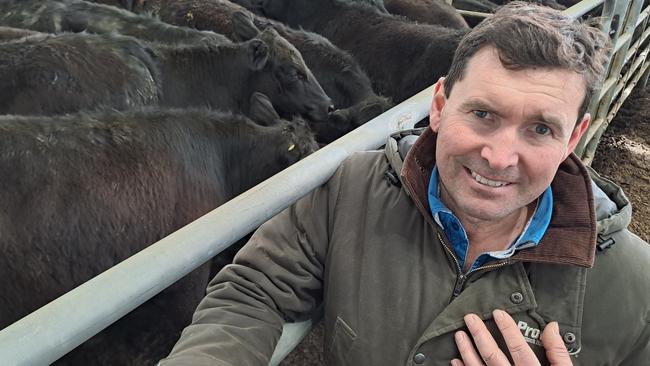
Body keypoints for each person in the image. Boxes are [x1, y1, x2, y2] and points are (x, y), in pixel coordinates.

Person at [159, 2, 650, 365]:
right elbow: (254, 289)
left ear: (573, 139)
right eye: (482, 114)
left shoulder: (636, 293)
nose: (499, 157)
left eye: (540, 128)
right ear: (438, 105)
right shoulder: (353, 191)